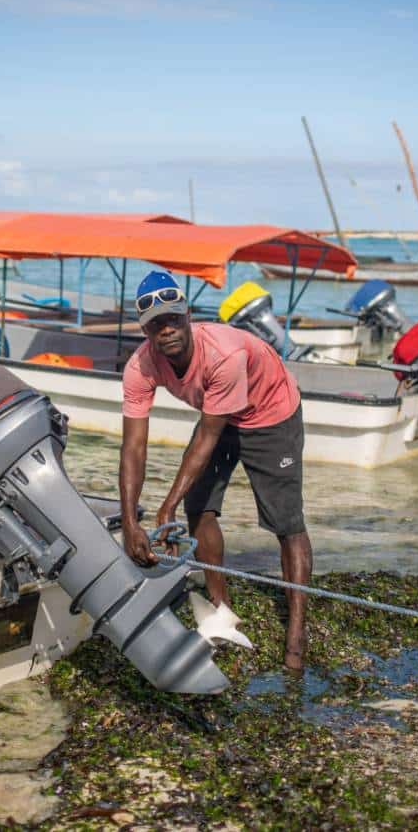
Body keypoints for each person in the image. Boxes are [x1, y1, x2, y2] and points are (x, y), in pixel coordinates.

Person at [118, 270, 312, 671]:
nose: (167, 330)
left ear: (188, 315)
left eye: (174, 319)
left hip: (270, 412)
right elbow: (133, 447)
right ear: (145, 330)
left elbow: (207, 439)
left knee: (286, 523)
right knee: (199, 507)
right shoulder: (140, 366)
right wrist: (129, 522)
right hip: (218, 412)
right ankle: (220, 610)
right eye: (156, 324)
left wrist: (165, 508)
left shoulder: (223, 354)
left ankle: (296, 633)